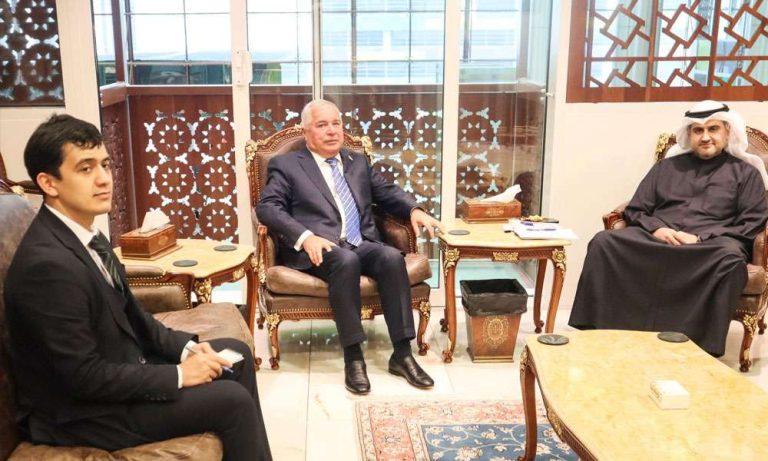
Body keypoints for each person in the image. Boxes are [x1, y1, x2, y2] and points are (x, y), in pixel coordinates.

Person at [4, 114, 272, 461]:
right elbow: (81, 377)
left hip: (115, 374)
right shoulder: (47, 266)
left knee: (235, 356)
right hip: (80, 415)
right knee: (231, 401)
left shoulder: (88, 236)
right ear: (48, 183)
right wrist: (178, 375)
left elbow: (133, 314)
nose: (104, 179)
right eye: (85, 169)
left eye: (105, 165)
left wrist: (186, 350)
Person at [256, 99, 445, 394]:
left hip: (361, 241)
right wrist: (306, 236)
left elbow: (387, 192)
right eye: (322, 125)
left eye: (337, 123)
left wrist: (414, 210)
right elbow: (268, 207)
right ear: (306, 132)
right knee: (346, 261)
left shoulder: (356, 162)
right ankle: (354, 357)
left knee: (391, 257)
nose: (332, 131)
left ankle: (402, 353)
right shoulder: (288, 165)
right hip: (320, 247)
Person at [569, 100, 768, 356]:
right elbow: (637, 208)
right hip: (658, 239)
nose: (705, 137)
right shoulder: (665, 168)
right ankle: (600, 332)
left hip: (709, 246)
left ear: (727, 131)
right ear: (689, 134)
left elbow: (751, 223)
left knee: (729, 259)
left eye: (713, 129)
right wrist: (657, 229)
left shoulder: (746, 173)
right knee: (603, 242)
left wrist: (700, 238)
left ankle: (696, 347)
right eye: (698, 130)